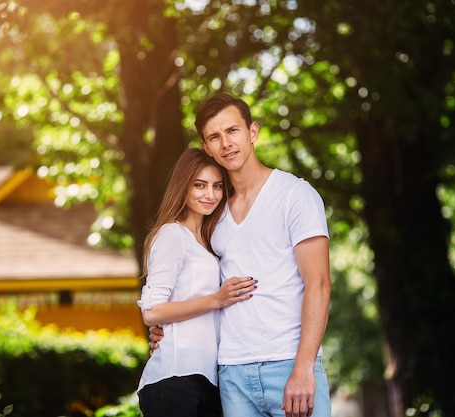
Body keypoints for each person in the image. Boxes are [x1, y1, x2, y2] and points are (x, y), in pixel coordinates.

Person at [150, 93, 332, 417]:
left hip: (288, 364)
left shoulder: (295, 195)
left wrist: (304, 367)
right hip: (231, 375)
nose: (226, 143)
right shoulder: (213, 216)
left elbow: (318, 284)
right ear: (206, 147)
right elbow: (199, 285)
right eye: (214, 137)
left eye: (233, 131)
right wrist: (166, 327)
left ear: (252, 132)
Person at [136, 147, 258, 417]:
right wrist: (217, 298)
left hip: (207, 379)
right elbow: (152, 312)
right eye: (199, 185)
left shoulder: (209, 242)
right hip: (175, 378)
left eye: (217, 186)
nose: (210, 194)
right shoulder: (172, 235)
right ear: (183, 186)